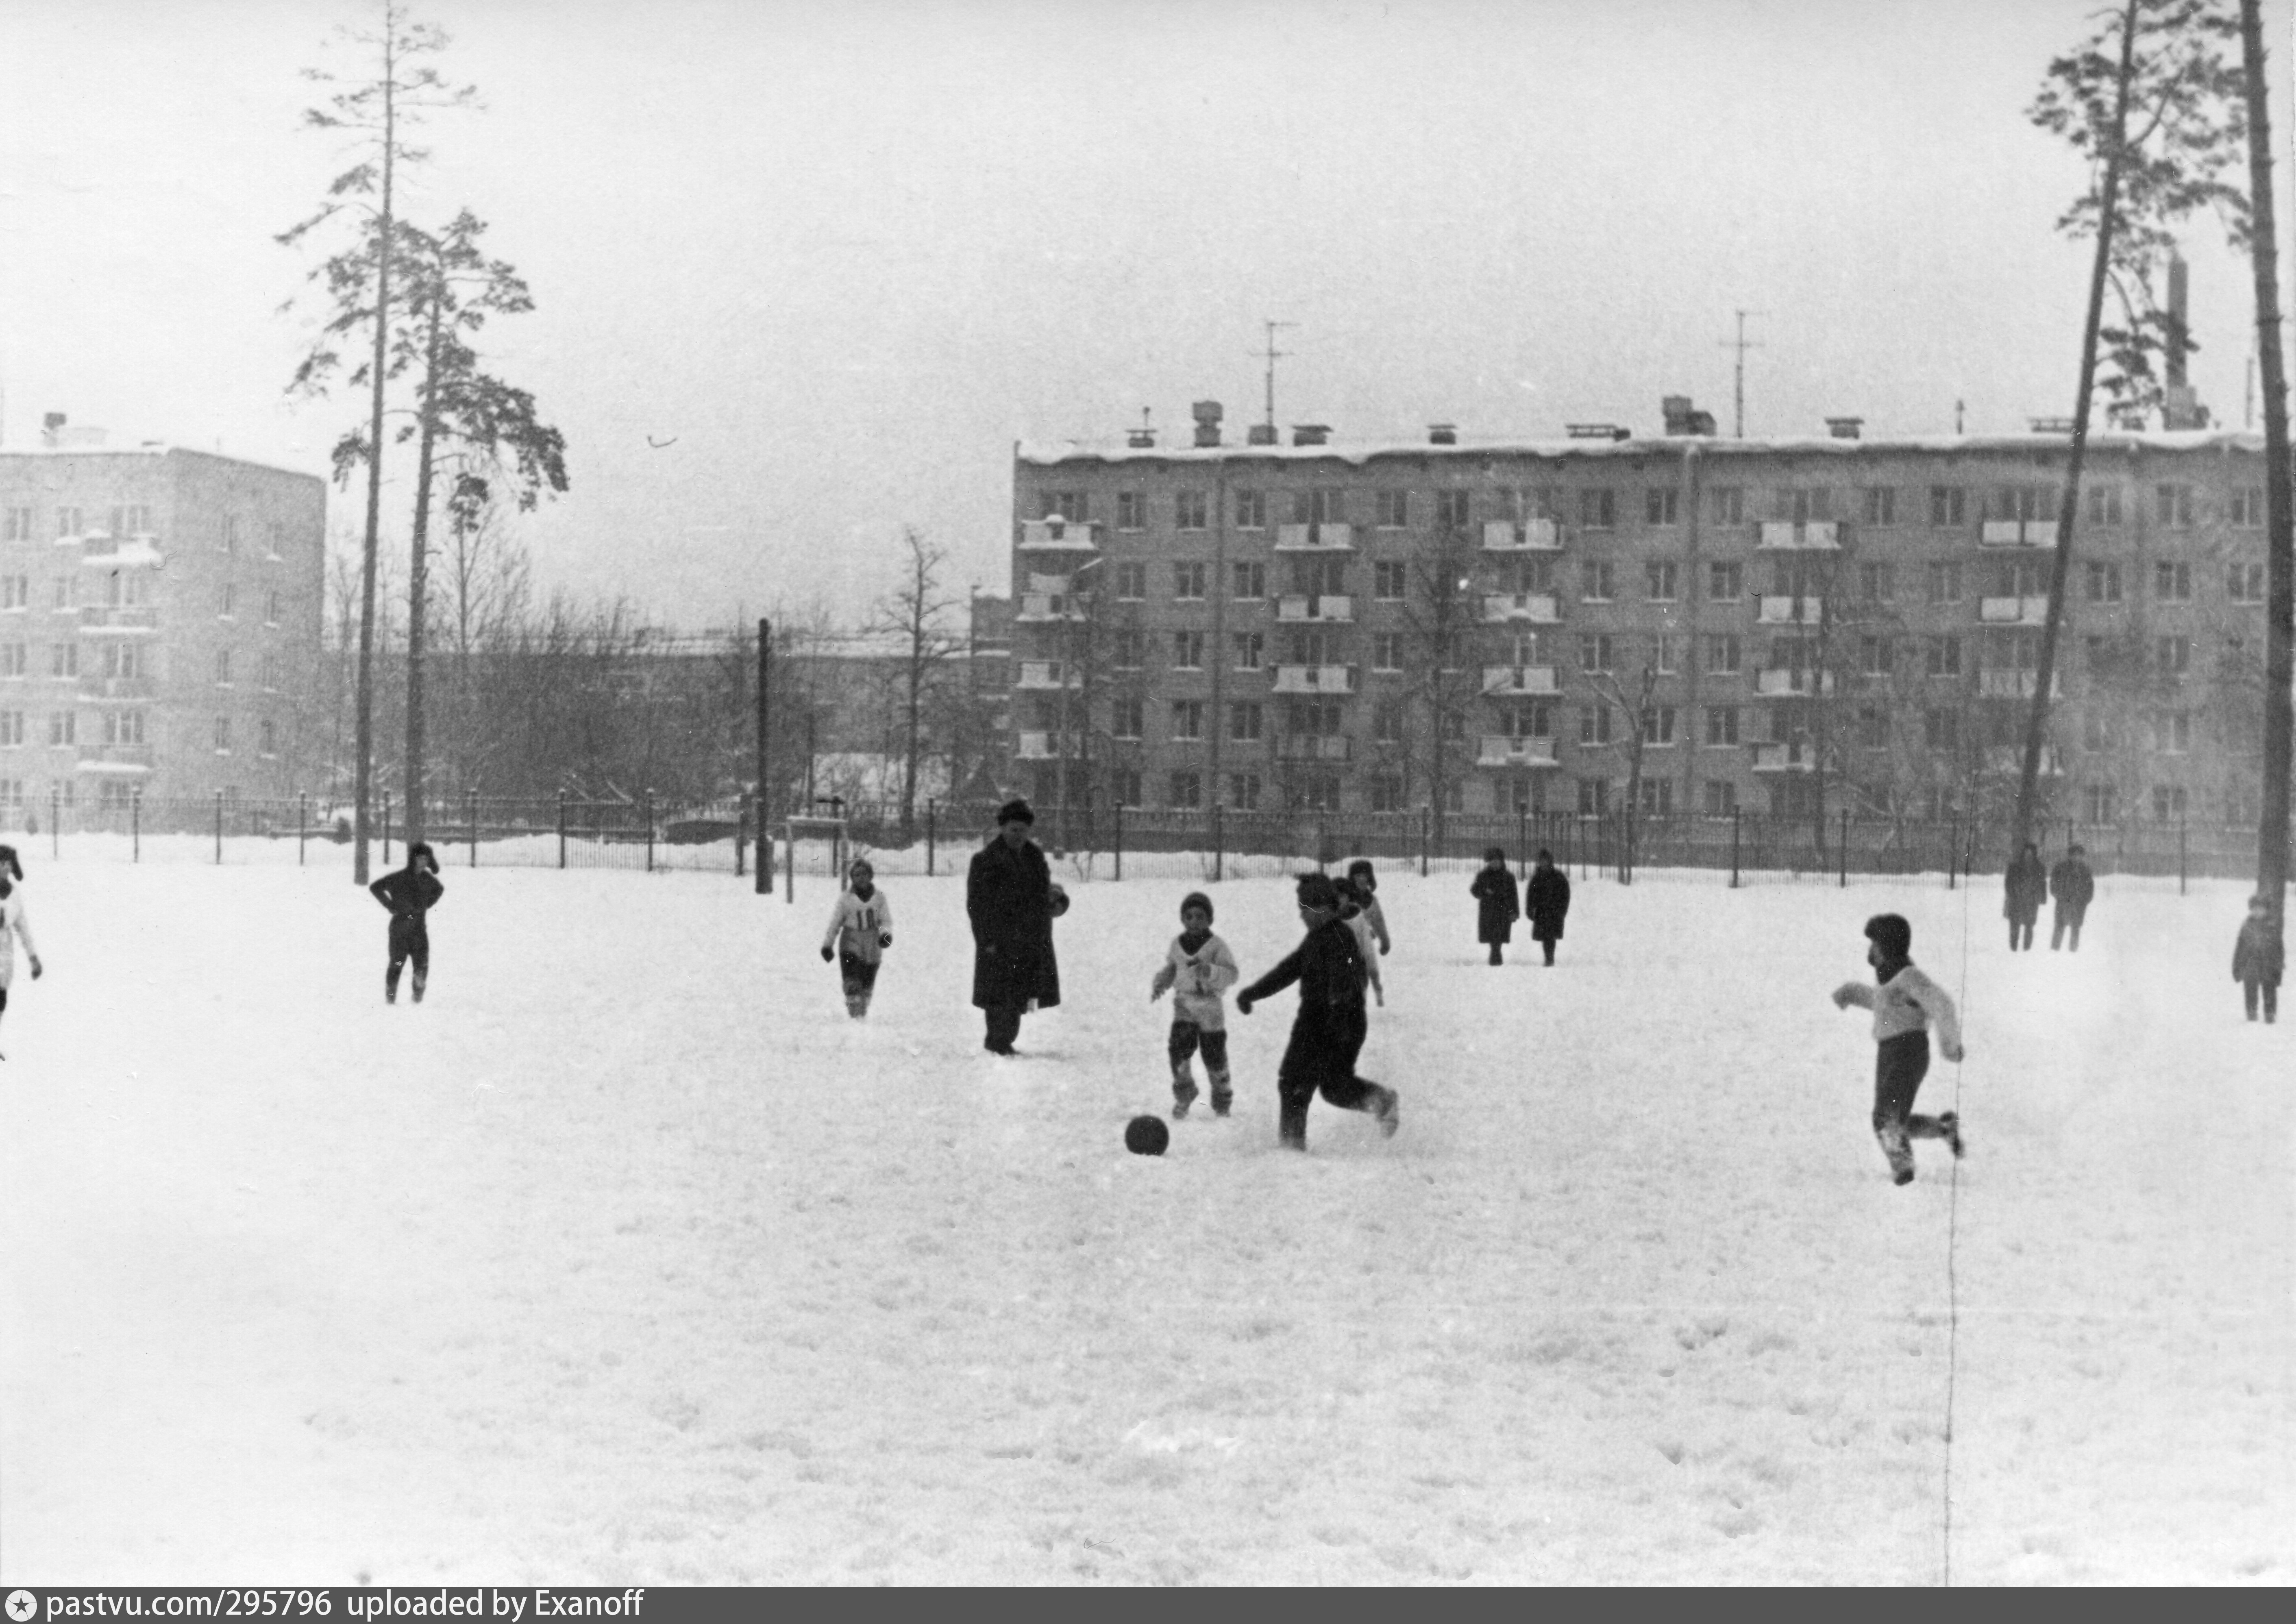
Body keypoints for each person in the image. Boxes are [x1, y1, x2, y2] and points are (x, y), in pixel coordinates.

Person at [1235, 872, 1400, 1151]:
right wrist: (1254, 992)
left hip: (1341, 1021)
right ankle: (1293, 1141)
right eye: (1301, 908)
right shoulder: (1315, 939)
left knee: (1325, 1084)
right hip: (1314, 1020)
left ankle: (1380, 1101)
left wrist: (1338, 1007)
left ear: (1326, 906)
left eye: (1308, 909)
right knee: (1300, 1081)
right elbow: (1289, 970)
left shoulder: (1340, 936)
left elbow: (1345, 976)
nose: (1303, 915)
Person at [1831, 912, 1967, 1186]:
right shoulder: (1890, 979)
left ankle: (1903, 1168)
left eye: (1874, 944)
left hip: (1908, 1051)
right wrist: (1852, 993)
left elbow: (1941, 1004)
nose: (1870, 951)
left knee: (1884, 1118)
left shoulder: (1909, 976)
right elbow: (1882, 1004)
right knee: (1896, 1119)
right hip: (1889, 1053)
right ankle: (1943, 1129)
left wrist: (1950, 1046)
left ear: (1886, 946)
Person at [967, 798, 1066, 1055]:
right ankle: (997, 1041)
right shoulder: (986, 860)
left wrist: (1057, 902)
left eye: (1023, 830)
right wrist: (986, 940)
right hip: (999, 940)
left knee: (1019, 992)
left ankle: (1004, 1041)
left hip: (1030, 938)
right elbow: (977, 906)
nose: (1018, 835)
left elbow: (1044, 892)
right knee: (999, 994)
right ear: (1002, 828)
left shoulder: (1034, 857)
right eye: (1013, 829)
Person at [1149, 891, 1240, 1117]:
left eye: (1200, 916)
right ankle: (1185, 1089)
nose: (1194, 921)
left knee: (1214, 1056)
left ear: (1210, 920)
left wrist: (1211, 971)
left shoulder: (1217, 946)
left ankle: (1222, 1096)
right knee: (1179, 1049)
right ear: (1182, 919)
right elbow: (1173, 968)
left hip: (1210, 1009)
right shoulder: (1177, 944)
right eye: (1189, 917)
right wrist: (1162, 981)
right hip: (1185, 1006)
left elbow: (1232, 974)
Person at [368, 840, 444, 1004]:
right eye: (421, 858)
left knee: (421, 964)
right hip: (400, 928)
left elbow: (439, 890)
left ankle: (418, 998)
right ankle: (391, 997)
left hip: (418, 928)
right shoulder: (399, 878)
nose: (424, 862)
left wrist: (428, 903)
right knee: (397, 962)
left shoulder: (427, 879)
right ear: (414, 859)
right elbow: (376, 887)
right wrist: (390, 905)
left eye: (427, 859)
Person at [820, 857, 893, 1019]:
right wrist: (828, 945)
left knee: (868, 978)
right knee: (852, 975)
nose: (862, 878)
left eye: (865, 874)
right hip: (851, 940)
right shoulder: (845, 899)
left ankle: (863, 1007)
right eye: (857, 875)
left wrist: (885, 934)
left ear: (871, 876)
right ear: (852, 877)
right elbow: (835, 923)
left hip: (872, 943)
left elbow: (885, 919)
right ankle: (854, 1008)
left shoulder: (879, 898)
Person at [0, 847, 41, 1057]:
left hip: (3, 957)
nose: (3, 869)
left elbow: (23, 928)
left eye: (7, 865)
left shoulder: (14, 895)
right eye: (0, 864)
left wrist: (33, 957)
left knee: (0, 998)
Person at [1334, 876, 1385, 1005]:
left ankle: (1372, 991)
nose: (1338, 900)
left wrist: (1372, 971)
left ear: (1348, 897)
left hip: (1355, 960)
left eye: (1342, 896)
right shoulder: (1329, 919)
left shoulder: (1358, 918)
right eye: (1335, 896)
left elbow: (1367, 948)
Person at [2232, 893, 2282, 1024]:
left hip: (2268, 964)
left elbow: (2279, 949)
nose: (2258, 912)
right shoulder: (2247, 927)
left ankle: (2270, 1015)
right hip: (2251, 964)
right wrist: (2237, 966)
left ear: (2266, 910)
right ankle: (2251, 1014)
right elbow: (2240, 948)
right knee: (2250, 989)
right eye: (2255, 909)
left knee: (2269, 989)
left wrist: (2278, 968)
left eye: (2261, 909)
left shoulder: (2272, 927)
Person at [1471, 846, 1520, 967]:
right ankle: (1496, 954)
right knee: (1491, 934)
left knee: (1499, 934)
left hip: (1503, 910)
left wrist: (1514, 912)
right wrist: (1484, 891)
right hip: (1488, 911)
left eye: (1497, 861)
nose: (1495, 864)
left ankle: (1496, 954)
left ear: (1502, 862)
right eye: (1492, 861)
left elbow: (1514, 896)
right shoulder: (1483, 876)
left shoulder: (1508, 877)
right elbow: (1475, 890)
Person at [1524, 847, 1571, 967]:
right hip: (1541, 912)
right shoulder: (1536, 878)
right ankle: (1548, 958)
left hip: (1555, 912)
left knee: (1551, 937)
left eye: (1546, 861)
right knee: (1545, 937)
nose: (1544, 863)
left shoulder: (1559, 877)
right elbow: (1530, 895)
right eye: (1541, 861)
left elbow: (1565, 894)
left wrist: (1563, 910)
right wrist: (1530, 910)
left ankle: (1550, 959)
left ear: (1550, 861)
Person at [2049, 842, 2096, 952]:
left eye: (2079, 855)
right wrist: (2060, 896)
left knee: (2076, 929)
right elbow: (2053, 884)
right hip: (2063, 903)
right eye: (2074, 855)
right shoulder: (2061, 868)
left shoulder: (2085, 871)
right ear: (2069, 856)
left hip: (2078, 905)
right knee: (2060, 927)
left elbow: (2090, 888)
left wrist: (2084, 900)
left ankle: (2073, 953)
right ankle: (2055, 952)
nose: (2076, 858)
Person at [2003, 841, 2047, 952]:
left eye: (2031, 852)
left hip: (2031, 901)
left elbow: (2043, 883)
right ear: (2023, 853)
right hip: (2016, 900)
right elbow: (2009, 883)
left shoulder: (2040, 868)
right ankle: (2013, 949)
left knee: (2029, 926)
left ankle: (2027, 950)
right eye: (2027, 852)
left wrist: (2042, 897)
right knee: (2015, 926)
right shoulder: (2014, 867)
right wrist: (2012, 894)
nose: (2029, 854)